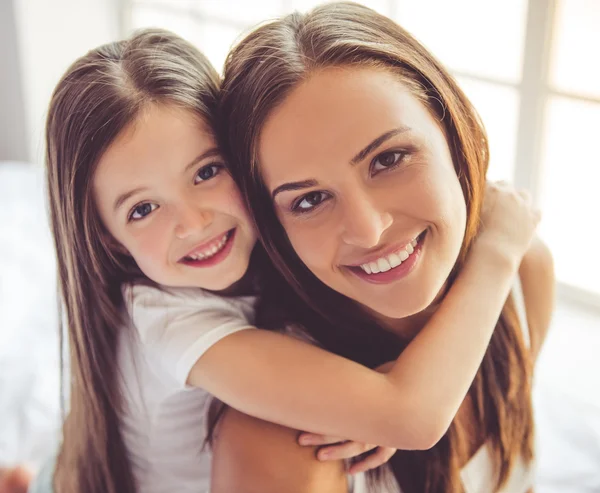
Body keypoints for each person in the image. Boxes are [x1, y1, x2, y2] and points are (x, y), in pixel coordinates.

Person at [1, 22, 540, 493]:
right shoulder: (172, 322)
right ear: (109, 238)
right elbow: (410, 414)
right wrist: (498, 248)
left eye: (207, 172)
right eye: (143, 208)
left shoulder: (258, 260)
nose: (193, 223)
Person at [213, 2, 555, 492]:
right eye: (309, 200)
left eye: (389, 158)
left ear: (453, 132)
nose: (368, 230)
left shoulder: (523, 273)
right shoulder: (282, 443)